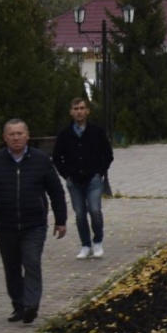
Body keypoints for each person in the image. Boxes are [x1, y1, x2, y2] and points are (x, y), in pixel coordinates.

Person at [0, 119, 67, 324]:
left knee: (31, 261)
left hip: (34, 224)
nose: (16, 138)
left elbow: (56, 191)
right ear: (5, 137)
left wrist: (61, 220)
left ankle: (31, 305)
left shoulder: (41, 160)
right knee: (12, 266)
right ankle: (19, 305)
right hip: (5, 225)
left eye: (20, 134)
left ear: (27, 135)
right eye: (12, 134)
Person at [52, 97, 114, 259]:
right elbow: (57, 158)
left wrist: (99, 172)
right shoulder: (65, 134)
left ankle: (98, 241)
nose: (79, 111)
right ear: (71, 112)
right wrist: (66, 175)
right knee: (80, 214)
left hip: (93, 178)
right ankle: (85, 245)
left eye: (81, 108)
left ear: (87, 111)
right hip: (74, 180)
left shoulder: (97, 132)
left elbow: (107, 154)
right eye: (75, 109)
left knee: (95, 210)